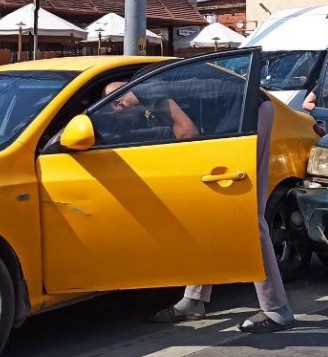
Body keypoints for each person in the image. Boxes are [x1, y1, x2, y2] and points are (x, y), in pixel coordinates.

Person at [148, 97, 294, 333]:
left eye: (114, 102)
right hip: (237, 117)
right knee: (210, 211)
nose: (116, 110)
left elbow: (187, 133)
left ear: (123, 96)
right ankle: (194, 299)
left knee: (247, 216)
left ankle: (277, 309)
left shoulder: (152, 96)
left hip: (248, 113)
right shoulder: (151, 89)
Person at [101, 80, 199, 140]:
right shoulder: (144, 109)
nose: (115, 114)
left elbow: (187, 133)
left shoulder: (148, 92)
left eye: (112, 108)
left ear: (119, 103)